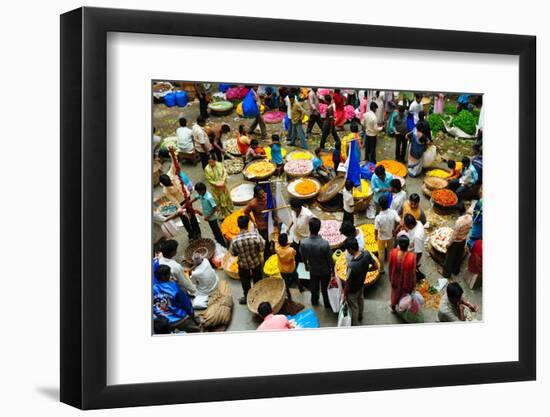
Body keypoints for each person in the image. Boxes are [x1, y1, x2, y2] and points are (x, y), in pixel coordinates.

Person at [153, 265, 200, 333]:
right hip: (180, 319)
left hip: (163, 321)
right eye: (169, 274)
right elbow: (186, 304)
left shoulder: (153, 288)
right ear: (164, 276)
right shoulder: (174, 287)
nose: (171, 276)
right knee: (197, 331)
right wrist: (191, 314)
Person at [229, 216, 265, 304]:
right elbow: (262, 248)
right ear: (248, 224)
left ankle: (247, 297)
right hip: (256, 262)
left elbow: (233, 254)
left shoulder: (235, 240)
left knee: (245, 282)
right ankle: (258, 295)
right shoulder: (255, 236)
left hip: (243, 264)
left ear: (238, 225)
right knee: (258, 279)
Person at [300, 217, 333, 308]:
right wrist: (332, 269)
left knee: (314, 287)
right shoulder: (324, 244)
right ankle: (327, 303)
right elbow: (330, 259)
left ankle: (314, 301)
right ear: (319, 228)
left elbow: (303, 256)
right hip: (325, 271)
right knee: (325, 288)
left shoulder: (303, 243)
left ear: (309, 228)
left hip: (313, 269)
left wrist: (306, 265)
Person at [343, 237, 377, 325]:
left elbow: (347, 282)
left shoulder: (351, 265)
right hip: (361, 285)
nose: (347, 251)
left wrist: (344, 294)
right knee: (361, 300)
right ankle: (360, 315)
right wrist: (366, 270)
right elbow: (375, 266)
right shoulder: (367, 254)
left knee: (354, 307)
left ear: (350, 249)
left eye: (347, 249)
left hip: (352, 290)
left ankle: (356, 324)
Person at [158, 173, 201, 241]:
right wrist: (182, 210)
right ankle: (191, 233)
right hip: (179, 204)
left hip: (186, 197)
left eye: (170, 182)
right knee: (185, 220)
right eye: (168, 184)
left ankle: (198, 232)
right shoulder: (165, 191)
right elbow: (174, 201)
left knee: (192, 216)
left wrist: (187, 198)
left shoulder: (174, 178)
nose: (170, 184)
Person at [441, 202, 472, 278]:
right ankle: (455, 270)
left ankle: (446, 274)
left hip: (456, 242)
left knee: (449, 258)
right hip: (463, 239)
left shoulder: (459, 222)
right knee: (458, 256)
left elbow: (453, 237)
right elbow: (469, 229)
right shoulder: (470, 218)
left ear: (458, 212)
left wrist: (448, 244)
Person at [192, 182, 227, 247]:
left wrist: (208, 216)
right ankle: (218, 240)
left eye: (198, 191)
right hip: (207, 216)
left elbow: (215, 208)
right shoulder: (201, 194)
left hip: (212, 217)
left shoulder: (209, 198)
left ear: (202, 190)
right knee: (214, 230)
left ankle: (223, 244)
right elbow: (196, 198)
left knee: (216, 231)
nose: (198, 193)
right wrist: (190, 202)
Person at [388, 234, 416, 312]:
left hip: (395, 280)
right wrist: (413, 285)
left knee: (394, 294)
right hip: (406, 283)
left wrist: (391, 278)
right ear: (408, 245)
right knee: (403, 296)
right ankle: (402, 308)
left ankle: (393, 308)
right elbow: (413, 274)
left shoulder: (393, 253)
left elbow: (390, 266)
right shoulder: (412, 257)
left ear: (399, 245)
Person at [374, 195, 400, 273]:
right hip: (390, 236)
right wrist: (395, 230)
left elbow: (376, 229)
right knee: (390, 251)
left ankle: (381, 269)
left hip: (381, 237)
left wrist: (375, 236)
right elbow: (400, 221)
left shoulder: (378, 217)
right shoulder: (393, 212)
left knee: (381, 253)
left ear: (379, 205)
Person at [203, 153, 234, 219]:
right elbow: (209, 179)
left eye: (212, 161)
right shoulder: (207, 169)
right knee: (218, 201)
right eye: (209, 162)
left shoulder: (220, 165)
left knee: (226, 198)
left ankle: (229, 211)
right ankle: (222, 215)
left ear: (215, 160)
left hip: (223, 186)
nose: (211, 163)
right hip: (215, 189)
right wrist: (216, 184)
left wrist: (223, 180)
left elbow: (224, 172)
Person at [244, 185, 270, 258]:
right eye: (260, 194)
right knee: (264, 241)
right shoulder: (253, 203)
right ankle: (266, 254)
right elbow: (246, 212)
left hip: (270, 223)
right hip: (261, 226)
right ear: (256, 195)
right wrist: (252, 221)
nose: (262, 195)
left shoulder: (268, 197)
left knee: (271, 237)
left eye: (263, 193)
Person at [275, 233, 303, 300]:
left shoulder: (277, 249)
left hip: (282, 270)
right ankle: (300, 288)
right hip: (291, 269)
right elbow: (295, 253)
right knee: (296, 278)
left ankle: (288, 294)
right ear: (287, 241)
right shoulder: (291, 250)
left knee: (285, 282)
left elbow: (276, 241)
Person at [288, 198, 315, 263]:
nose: (291, 208)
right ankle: (299, 261)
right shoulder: (293, 211)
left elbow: (315, 222)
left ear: (297, 207)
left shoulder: (308, 214)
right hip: (296, 236)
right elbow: (293, 219)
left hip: (305, 237)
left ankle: (305, 263)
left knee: (305, 253)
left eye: (292, 207)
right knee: (296, 252)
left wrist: (312, 235)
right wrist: (289, 227)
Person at [403, 214, 426, 280]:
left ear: (411, 225)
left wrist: (414, 265)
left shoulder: (417, 236)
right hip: (412, 246)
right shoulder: (418, 222)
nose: (406, 227)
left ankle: (418, 276)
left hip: (415, 254)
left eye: (407, 226)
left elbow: (419, 253)